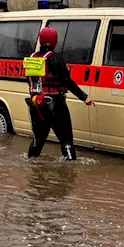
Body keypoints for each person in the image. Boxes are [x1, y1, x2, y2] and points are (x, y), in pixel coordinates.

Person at [25, 25, 93, 160]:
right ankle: (69, 169)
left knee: (38, 138)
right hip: (55, 104)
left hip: (36, 104)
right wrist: (84, 97)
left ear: (40, 40)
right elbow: (67, 81)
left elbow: (31, 81)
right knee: (66, 138)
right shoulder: (55, 59)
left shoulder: (32, 58)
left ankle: (32, 165)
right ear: (55, 41)